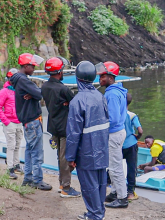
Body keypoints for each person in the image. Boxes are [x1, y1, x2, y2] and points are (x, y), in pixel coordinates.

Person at [66, 61, 109, 220]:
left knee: (89, 186)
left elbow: (73, 133)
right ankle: (98, 213)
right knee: (100, 185)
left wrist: (70, 157)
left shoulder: (77, 101)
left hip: (86, 153)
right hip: (102, 151)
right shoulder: (100, 96)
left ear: (78, 78)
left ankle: (95, 215)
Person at [10, 53, 52, 190]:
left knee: (29, 151)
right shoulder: (24, 80)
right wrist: (35, 93)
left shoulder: (19, 80)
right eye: (32, 66)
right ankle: (38, 180)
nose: (33, 69)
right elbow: (40, 94)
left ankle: (28, 178)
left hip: (27, 121)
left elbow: (36, 93)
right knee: (37, 153)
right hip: (32, 121)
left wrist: (34, 93)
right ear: (26, 66)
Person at [41, 57, 81, 197]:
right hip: (65, 127)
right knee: (66, 157)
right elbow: (76, 104)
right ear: (59, 71)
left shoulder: (45, 86)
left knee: (60, 156)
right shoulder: (63, 89)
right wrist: (67, 105)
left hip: (53, 126)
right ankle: (66, 187)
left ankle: (61, 182)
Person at [97, 61, 128, 208]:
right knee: (114, 165)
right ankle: (115, 192)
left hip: (113, 134)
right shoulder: (117, 90)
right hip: (119, 132)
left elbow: (113, 119)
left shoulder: (112, 94)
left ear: (111, 77)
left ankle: (122, 198)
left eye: (103, 76)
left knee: (115, 167)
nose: (100, 79)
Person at [0, 68, 23, 179]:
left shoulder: (18, 90)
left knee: (17, 145)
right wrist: (6, 122)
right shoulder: (4, 91)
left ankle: (16, 165)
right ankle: (10, 168)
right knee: (11, 146)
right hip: (10, 122)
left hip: (18, 122)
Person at [122, 93, 143, 200]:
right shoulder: (132, 115)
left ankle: (114, 188)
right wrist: (138, 137)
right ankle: (130, 193)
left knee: (116, 167)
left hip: (119, 144)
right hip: (131, 144)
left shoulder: (117, 114)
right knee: (131, 168)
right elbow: (140, 130)